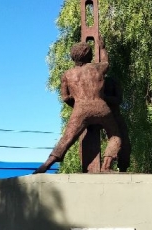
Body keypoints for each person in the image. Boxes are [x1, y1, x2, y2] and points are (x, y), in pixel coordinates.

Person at [34, 36, 123, 173]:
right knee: (115, 135)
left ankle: (46, 165)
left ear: (72, 57)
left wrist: (77, 106)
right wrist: (102, 47)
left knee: (67, 138)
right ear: (89, 55)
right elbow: (106, 62)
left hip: (80, 109)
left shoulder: (67, 75)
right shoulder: (97, 68)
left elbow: (65, 97)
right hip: (101, 107)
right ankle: (106, 166)